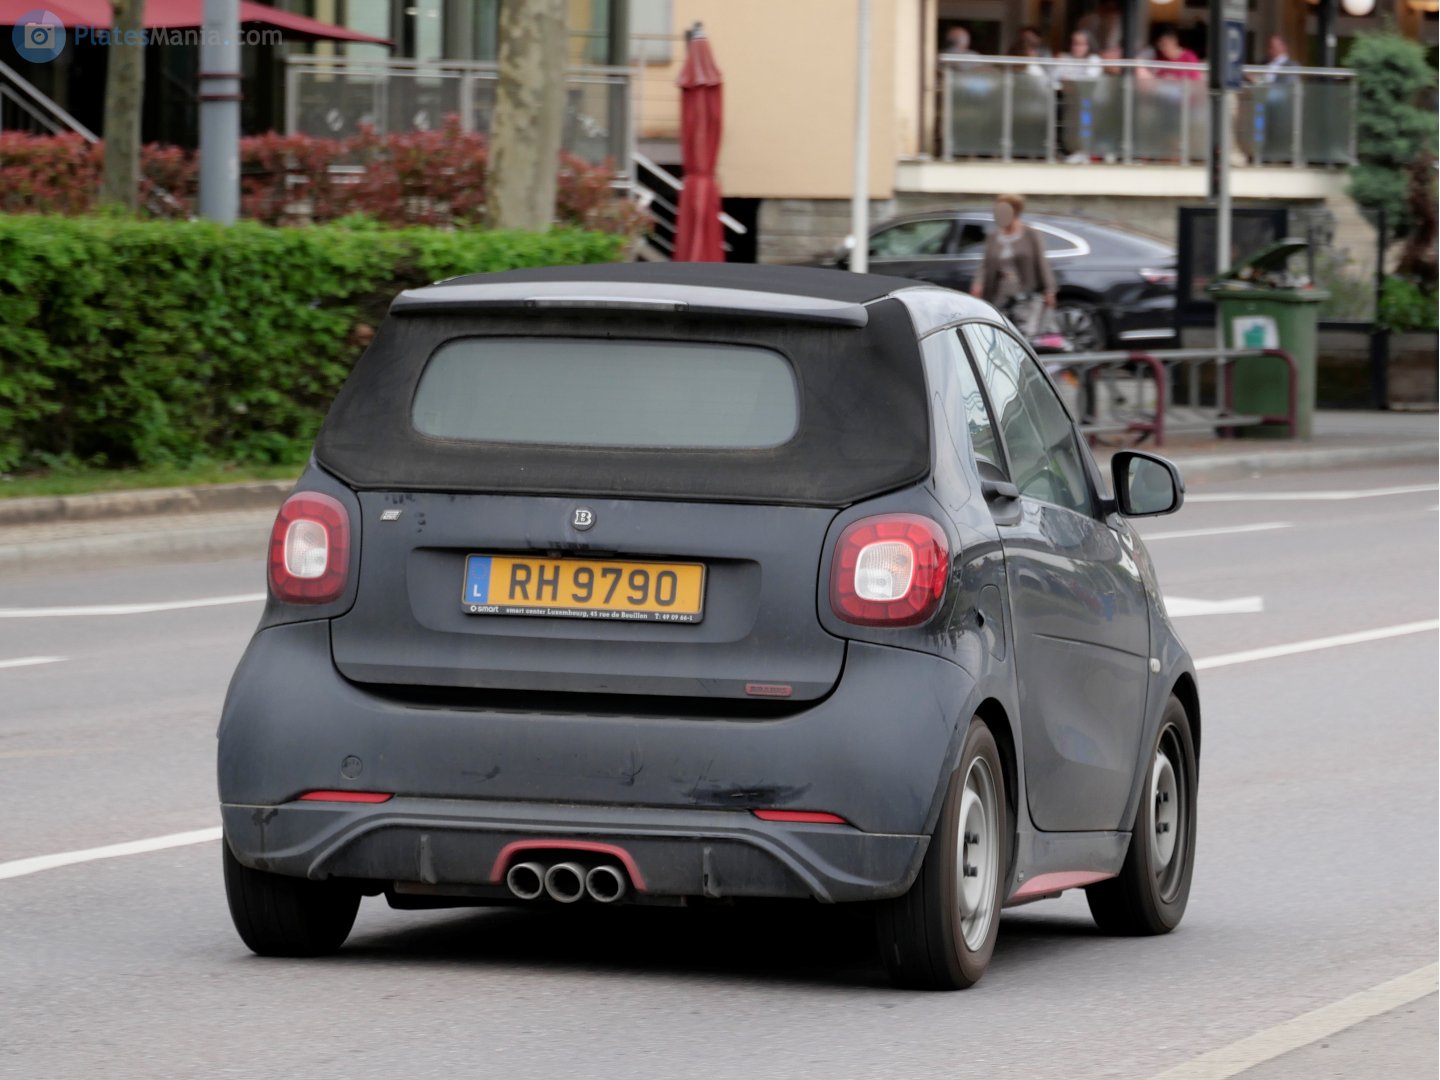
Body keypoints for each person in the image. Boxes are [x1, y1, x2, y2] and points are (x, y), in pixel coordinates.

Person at [969, 194, 1057, 337]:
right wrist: (978, 284)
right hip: (1000, 293)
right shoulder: (993, 236)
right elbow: (985, 265)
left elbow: (1041, 262)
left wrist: (1049, 290)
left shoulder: (1031, 234)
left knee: (1025, 333)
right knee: (1001, 331)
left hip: (1026, 293)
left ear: (1015, 212)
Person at [1054, 29, 1103, 163]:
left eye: (1081, 44)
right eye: (1074, 43)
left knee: (1084, 123)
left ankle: (1084, 152)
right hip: (1069, 100)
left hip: (1089, 101)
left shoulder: (1094, 59)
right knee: (1067, 125)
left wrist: (1070, 82)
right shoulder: (1066, 59)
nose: (1077, 47)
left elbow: (1089, 80)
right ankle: (1071, 151)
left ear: (1089, 46)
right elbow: (1056, 78)